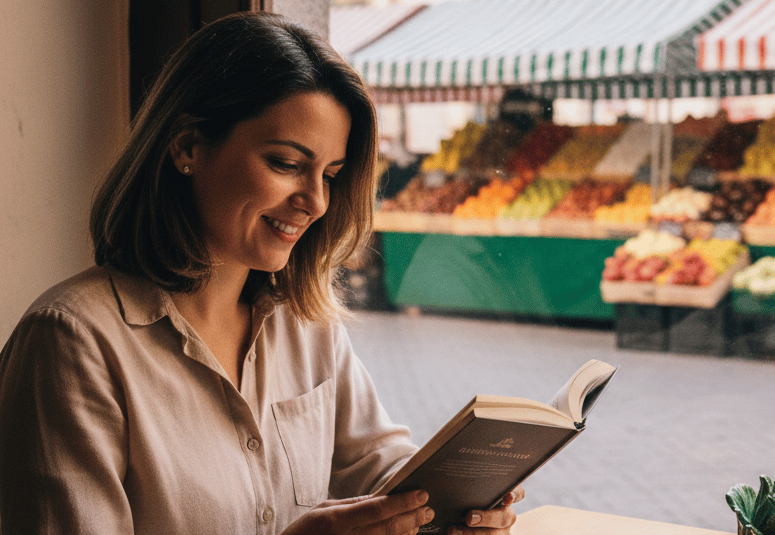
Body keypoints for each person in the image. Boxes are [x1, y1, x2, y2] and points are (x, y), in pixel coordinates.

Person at [0, 11, 522, 535]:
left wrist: (461, 502)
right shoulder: (71, 343)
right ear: (187, 146)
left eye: (331, 175)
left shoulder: (306, 324)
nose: (315, 202)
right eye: (285, 163)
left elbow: (380, 467)